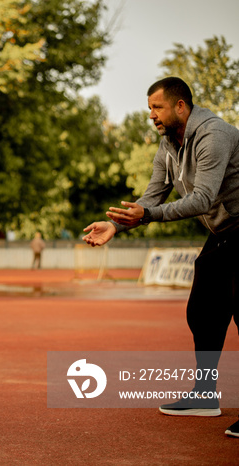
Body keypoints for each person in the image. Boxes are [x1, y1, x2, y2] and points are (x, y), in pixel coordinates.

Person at [82, 77, 239, 438]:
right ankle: (204, 394)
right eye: (149, 107)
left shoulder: (213, 135)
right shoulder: (169, 145)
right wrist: (115, 226)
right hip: (225, 233)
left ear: (180, 106)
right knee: (203, 310)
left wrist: (147, 216)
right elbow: (151, 196)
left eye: (157, 107)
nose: (150, 114)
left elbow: (202, 199)